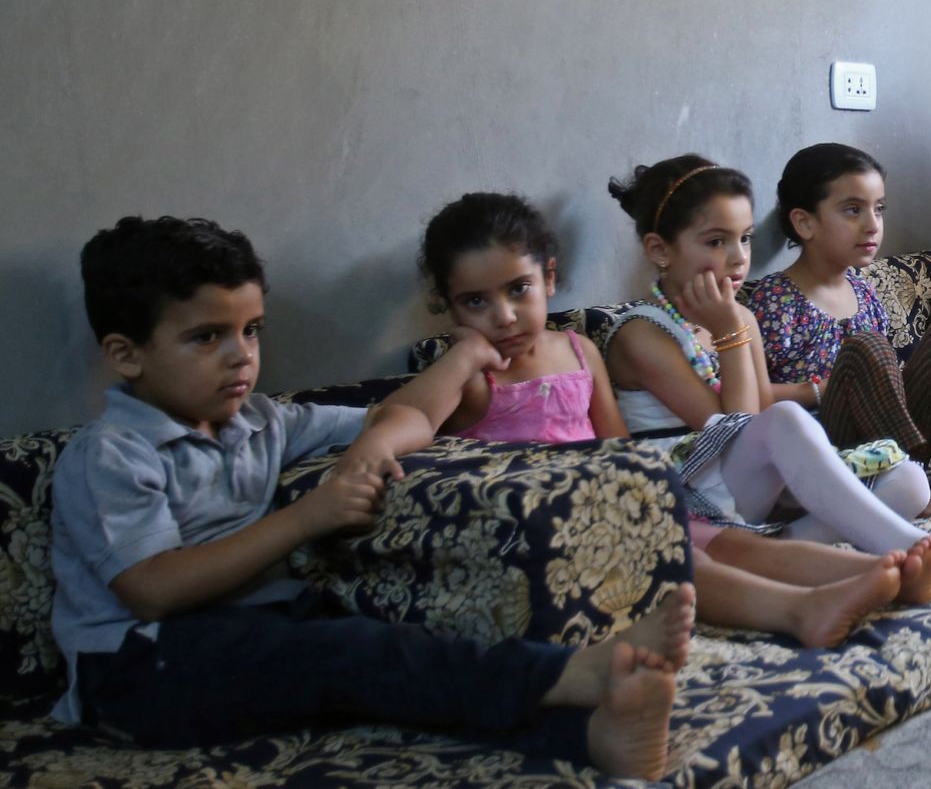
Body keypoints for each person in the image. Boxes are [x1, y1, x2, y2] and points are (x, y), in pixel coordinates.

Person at [51, 216, 693, 780]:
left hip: (256, 632)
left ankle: (586, 736)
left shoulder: (263, 422)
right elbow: (151, 589)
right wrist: (307, 517)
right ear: (125, 354)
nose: (240, 358)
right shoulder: (111, 455)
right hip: (138, 669)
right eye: (206, 338)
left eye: (250, 332)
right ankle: (568, 674)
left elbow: (396, 415)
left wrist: (465, 356)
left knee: (398, 661)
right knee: (353, 654)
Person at [417, 192, 926, 646]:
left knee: (730, 545)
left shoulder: (577, 349)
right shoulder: (466, 375)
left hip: (619, 500)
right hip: (547, 526)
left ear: (548, 278)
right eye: (476, 302)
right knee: (690, 559)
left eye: (517, 290)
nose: (503, 316)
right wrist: (459, 360)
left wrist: (650, 505)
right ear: (447, 305)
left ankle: (882, 569)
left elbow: (620, 449)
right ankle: (804, 608)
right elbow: (403, 418)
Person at [605, 155, 931, 593]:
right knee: (787, 418)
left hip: (750, 495)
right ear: (660, 249)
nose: (739, 259)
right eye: (716, 242)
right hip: (691, 496)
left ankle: (775, 555)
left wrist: (732, 326)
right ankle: (917, 551)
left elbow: (755, 420)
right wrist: (729, 332)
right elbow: (739, 429)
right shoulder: (642, 335)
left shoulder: (739, 318)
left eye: (745, 239)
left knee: (908, 483)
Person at [747, 142, 931, 498]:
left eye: (879, 209)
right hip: (825, 445)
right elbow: (749, 399)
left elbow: (886, 380)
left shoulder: (863, 291)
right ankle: (907, 483)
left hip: (883, 433)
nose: (872, 225)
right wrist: (826, 388)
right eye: (852, 210)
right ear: (804, 222)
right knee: (867, 347)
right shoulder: (775, 302)